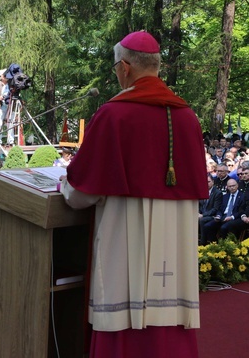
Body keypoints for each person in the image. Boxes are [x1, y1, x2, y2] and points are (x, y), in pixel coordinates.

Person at [60, 31, 207, 358]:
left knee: (122, 305)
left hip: (125, 232)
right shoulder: (187, 117)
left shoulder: (115, 114)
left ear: (125, 67)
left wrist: (64, 187)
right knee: (171, 307)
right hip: (176, 238)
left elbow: (81, 191)